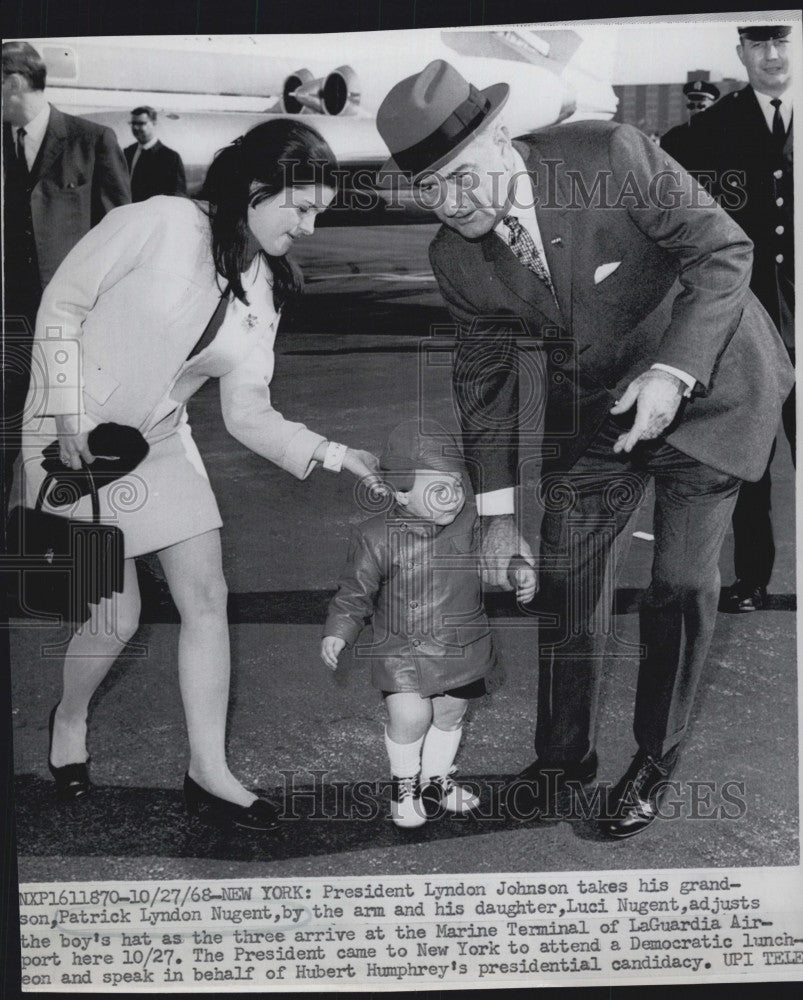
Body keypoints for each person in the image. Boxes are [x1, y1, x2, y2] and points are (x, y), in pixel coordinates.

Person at [376, 60, 793, 838]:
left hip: (711, 387)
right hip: (599, 413)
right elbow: (485, 386)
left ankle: (653, 758)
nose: (452, 203)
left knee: (676, 583)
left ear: (501, 138)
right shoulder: (454, 259)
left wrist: (672, 372)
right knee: (566, 579)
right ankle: (563, 760)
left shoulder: (609, 156)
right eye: (429, 189)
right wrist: (498, 518)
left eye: (462, 177)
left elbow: (724, 253)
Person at [16, 119, 379, 831]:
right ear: (253, 190)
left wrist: (335, 453)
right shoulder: (153, 221)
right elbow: (60, 308)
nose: (308, 226)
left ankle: (207, 772)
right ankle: (69, 717)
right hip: (63, 437)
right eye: (300, 207)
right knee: (111, 615)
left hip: (156, 440)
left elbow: (247, 412)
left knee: (206, 595)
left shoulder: (263, 288)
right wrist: (65, 415)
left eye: (318, 212)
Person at [322, 419, 534, 828]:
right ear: (400, 493)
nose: (452, 497)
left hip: (462, 646)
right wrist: (338, 630)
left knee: (452, 715)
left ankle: (435, 780)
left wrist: (517, 569)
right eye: (437, 488)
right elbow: (354, 592)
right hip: (402, 651)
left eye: (456, 484)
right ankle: (405, 785)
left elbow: (497, 557)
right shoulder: (375, 536)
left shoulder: (471, 523)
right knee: (410, 719)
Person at [663, 25, 794, 613]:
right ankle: (752, 579)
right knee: (751, 461)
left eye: (784, 41)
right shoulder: (703, 136)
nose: (773, 55)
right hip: (751, 325)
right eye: (760, 44)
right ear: (741, 52)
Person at [2, 39, 130, 515]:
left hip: (72, 332)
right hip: (9, 332)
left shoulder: (92, 141)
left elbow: (121, 241)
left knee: (75, 452)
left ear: (14, 84)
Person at [125, 105, 187, 201]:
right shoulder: (128, 152)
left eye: (141, 123)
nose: (135, 128)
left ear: (154, 123)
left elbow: (177, 195)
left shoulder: (170, 158)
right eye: (133, 123)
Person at [660, 79, 720, 163]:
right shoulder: (672, 137)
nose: (695, 110)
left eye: (701, 106)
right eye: (691, 106)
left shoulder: (721, 137)